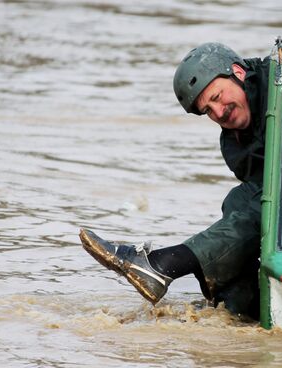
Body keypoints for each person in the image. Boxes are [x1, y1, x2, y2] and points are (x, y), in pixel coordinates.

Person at [79, 42, 270, 318]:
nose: (218, 112)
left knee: (256, 201)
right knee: (239, 202)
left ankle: (163, 265)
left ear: (238, 73)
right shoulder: (235, 144)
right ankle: (234, 313)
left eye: (217, 96)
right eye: (207, 111)